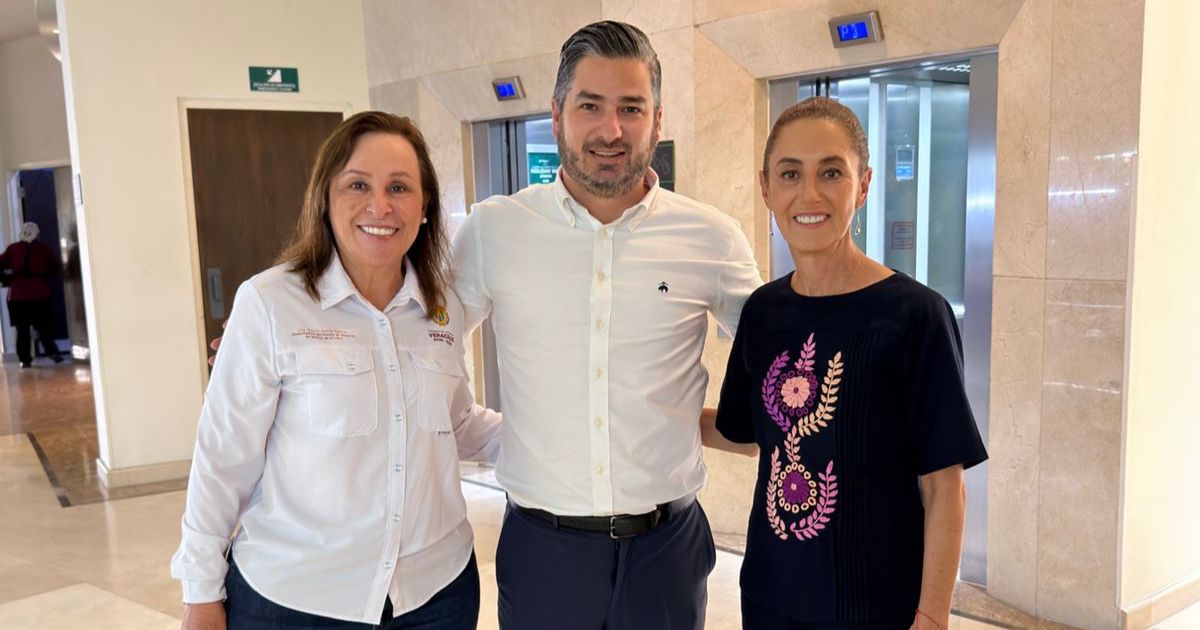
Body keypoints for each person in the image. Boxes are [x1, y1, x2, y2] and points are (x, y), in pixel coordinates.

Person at [452, 20, 762, 629]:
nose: (611, 130)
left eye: (631, 108)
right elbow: (422, 345)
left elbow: (784, 358)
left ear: (658, 119)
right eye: (590, 106)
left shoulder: (711, 237)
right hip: (544, 551)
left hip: (667, 551)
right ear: (557, 112)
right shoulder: (495, 230)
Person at [171, 112, 501, 630]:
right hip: (298, 599)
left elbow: (455, 424)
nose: (380, 206)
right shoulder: (271, 303)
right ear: (325, 198)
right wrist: (201, 593)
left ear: (425, 206)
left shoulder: (442, 309)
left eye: (399, 187)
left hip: (436, 595)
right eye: (357, 185)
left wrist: (551, 438)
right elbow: (223, 457)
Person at [709, 97, 988, 630]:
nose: (808, 193)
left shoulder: (915, 316)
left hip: (877, 606)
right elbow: (749, 434)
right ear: (767, 186)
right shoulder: (764, 312)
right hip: (772, 597)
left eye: (831, 172)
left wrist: (932, 615)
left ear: (862, 185)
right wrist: (651, 410)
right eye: (790, 173)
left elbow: (944, 487)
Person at [0, 222, 65, 367]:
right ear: (37, 234)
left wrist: (7, 275)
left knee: (21, 330)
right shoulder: (44, 250)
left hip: (17, 295)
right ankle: (52, 353)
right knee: (44, 328)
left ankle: (25, 360)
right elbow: (55, 270)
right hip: (40, 293)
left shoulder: (12, 249)